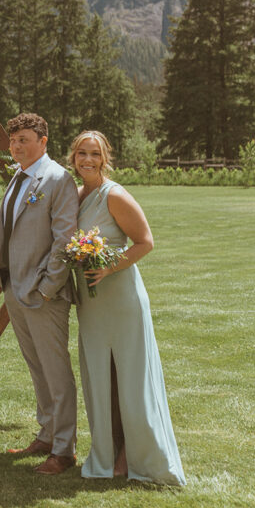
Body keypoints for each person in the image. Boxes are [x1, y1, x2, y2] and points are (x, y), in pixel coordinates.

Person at [69, 131, 185, 485]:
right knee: (101, 379)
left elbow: (145, 242)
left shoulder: (114, 195)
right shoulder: (76, 196)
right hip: (91, 302)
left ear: (105, 158)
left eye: (94, 154)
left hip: (120, 298)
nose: (87, 160)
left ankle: (130, 455)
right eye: (81, 154)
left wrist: (108, 266)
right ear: (73, 158)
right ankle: (107, 451)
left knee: (127, 378)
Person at [0, 113, 80, 476]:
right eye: (13, 141)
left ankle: (64, 450)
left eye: (24, 140)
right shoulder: (18, 175)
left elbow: (65, 239)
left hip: (44, 294)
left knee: (56, 371)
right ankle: (46, 435)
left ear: (43, 142)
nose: (17, 146)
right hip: (15, 289)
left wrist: (47, 288)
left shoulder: (58, 178)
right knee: (38, 370)